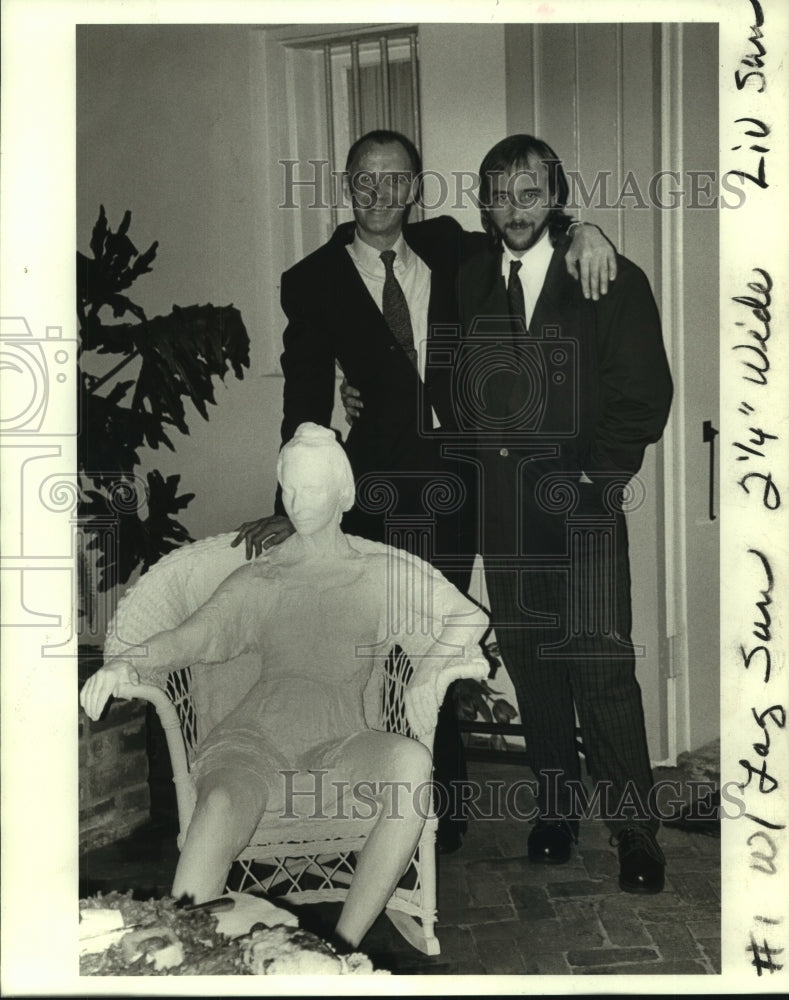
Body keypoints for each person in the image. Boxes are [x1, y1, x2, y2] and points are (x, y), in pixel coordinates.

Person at [232, 129, 617, 853]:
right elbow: (307, 405)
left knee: (485, 638)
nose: (379, 194)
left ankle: (500, 808)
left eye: (395, 180)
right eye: (364, 180)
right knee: (395, 648)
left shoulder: (448, 246)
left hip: (477, 473)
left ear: (415, 189)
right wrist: (293, 507)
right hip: (384, 486)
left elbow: (524, 222)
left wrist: (585, 230)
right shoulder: (309, 280)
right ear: (346, 186)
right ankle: (415, 805)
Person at [80, 423, 489, 949]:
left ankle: (342, 945)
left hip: (336, 746)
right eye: (289, 489)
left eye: (311, 489)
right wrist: (125, 663)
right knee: (221, 802)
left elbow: (467, 617)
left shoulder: (378, 574)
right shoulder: (263, 577)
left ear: (345, 494)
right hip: (253, 744)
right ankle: (180, 953)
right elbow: (192, 638)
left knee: (410, 764)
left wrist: (430, 673)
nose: (297, 503)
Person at [449, 134, 673, 894]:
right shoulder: (469, 275)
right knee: (534, 667)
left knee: (603, 671)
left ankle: (634, 830)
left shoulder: (603, 276)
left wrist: (596, 477)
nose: (514, 209)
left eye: (530, 193)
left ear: (556, 198)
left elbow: (644, 395)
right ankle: (554, 809)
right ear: (484, 202)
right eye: (500, 194)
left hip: (579, 515)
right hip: (503, 518)